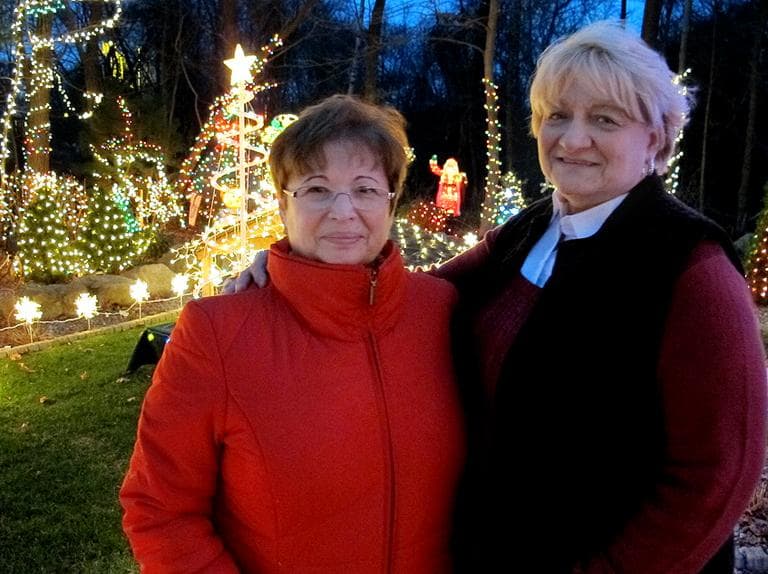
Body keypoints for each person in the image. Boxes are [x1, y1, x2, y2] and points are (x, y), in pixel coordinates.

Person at [230, 22, 767, 574]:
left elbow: (716, 478)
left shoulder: (690, 268)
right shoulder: (534, 229)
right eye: (557, 115)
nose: (573, 138)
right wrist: (297, 264)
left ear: (654, 137)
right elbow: (414, 296)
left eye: (605, 119)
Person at [119, 95, 466, 573]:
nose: (344, 211)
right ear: (283, 204)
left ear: (391, 201)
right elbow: (159, 509)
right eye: (318, 189)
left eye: (365, 189)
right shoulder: (218, 333)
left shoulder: (442, 309)